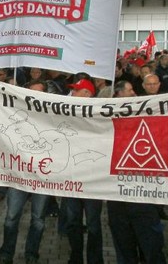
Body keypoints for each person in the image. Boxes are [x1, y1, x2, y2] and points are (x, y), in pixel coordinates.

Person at [106, 81, 167, 264]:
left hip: (145, 197)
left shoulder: (147, 109)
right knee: (125, 250)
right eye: (130, 90)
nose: (134, 93)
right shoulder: (105, 114)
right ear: (118, 94)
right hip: (117, 197)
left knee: (152, 250)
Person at [63, 78, 104, 264]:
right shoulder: (66, 111)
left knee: (94, 224)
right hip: (71, 177)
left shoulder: (99, 115)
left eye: (77, 90)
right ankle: (76, 256)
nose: (73, 93)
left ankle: (95, 259)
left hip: (93, 180)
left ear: (88, 95)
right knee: (73, 222)